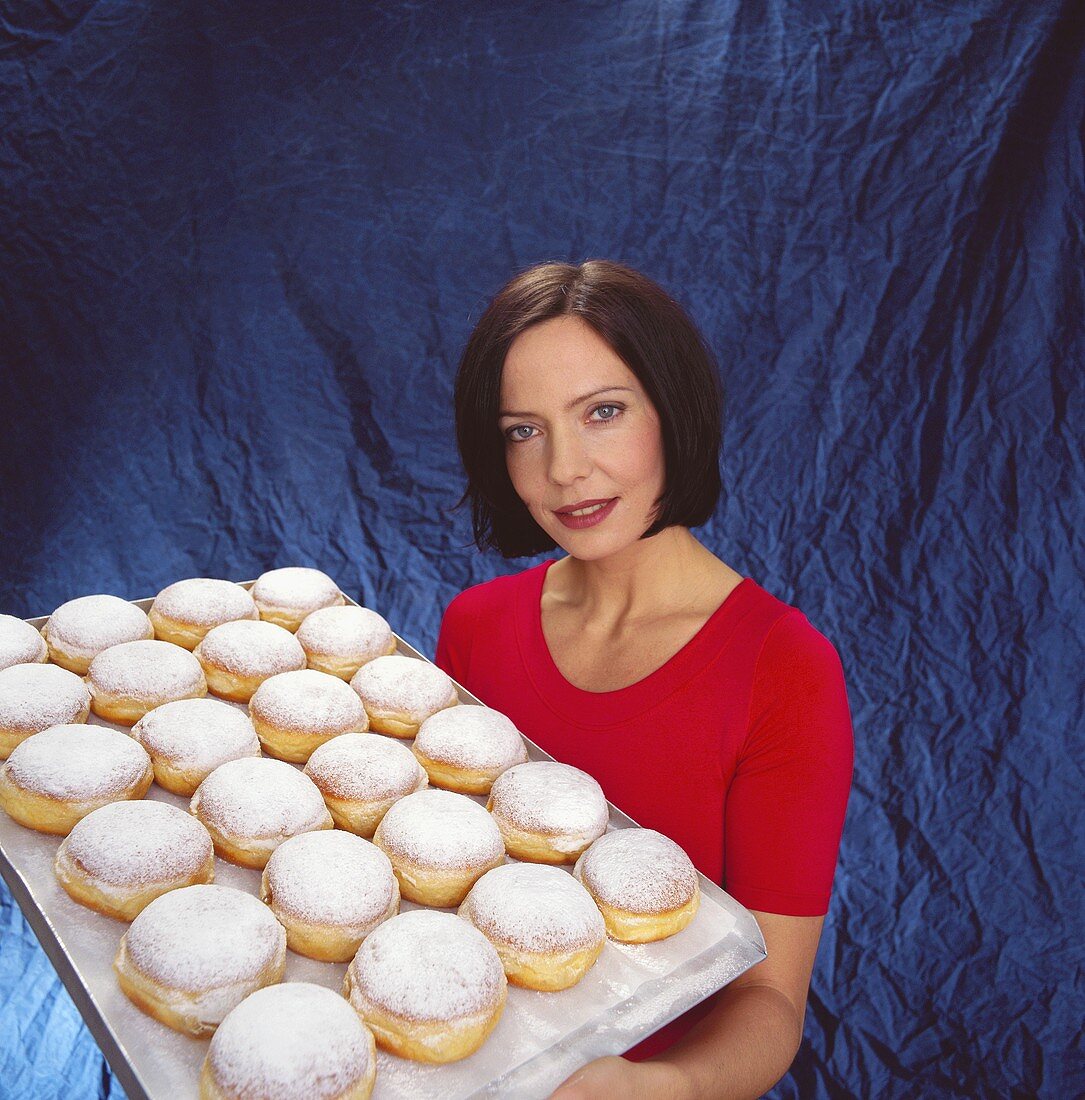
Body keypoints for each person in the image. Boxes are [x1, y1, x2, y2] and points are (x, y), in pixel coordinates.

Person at [434, 259, 854, 1099]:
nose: (564, 469)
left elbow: (769, 1000)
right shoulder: (474, 626)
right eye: (524, 429)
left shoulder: (784, 669)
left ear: (673, 410)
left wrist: (663, 1087)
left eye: (603, 412)